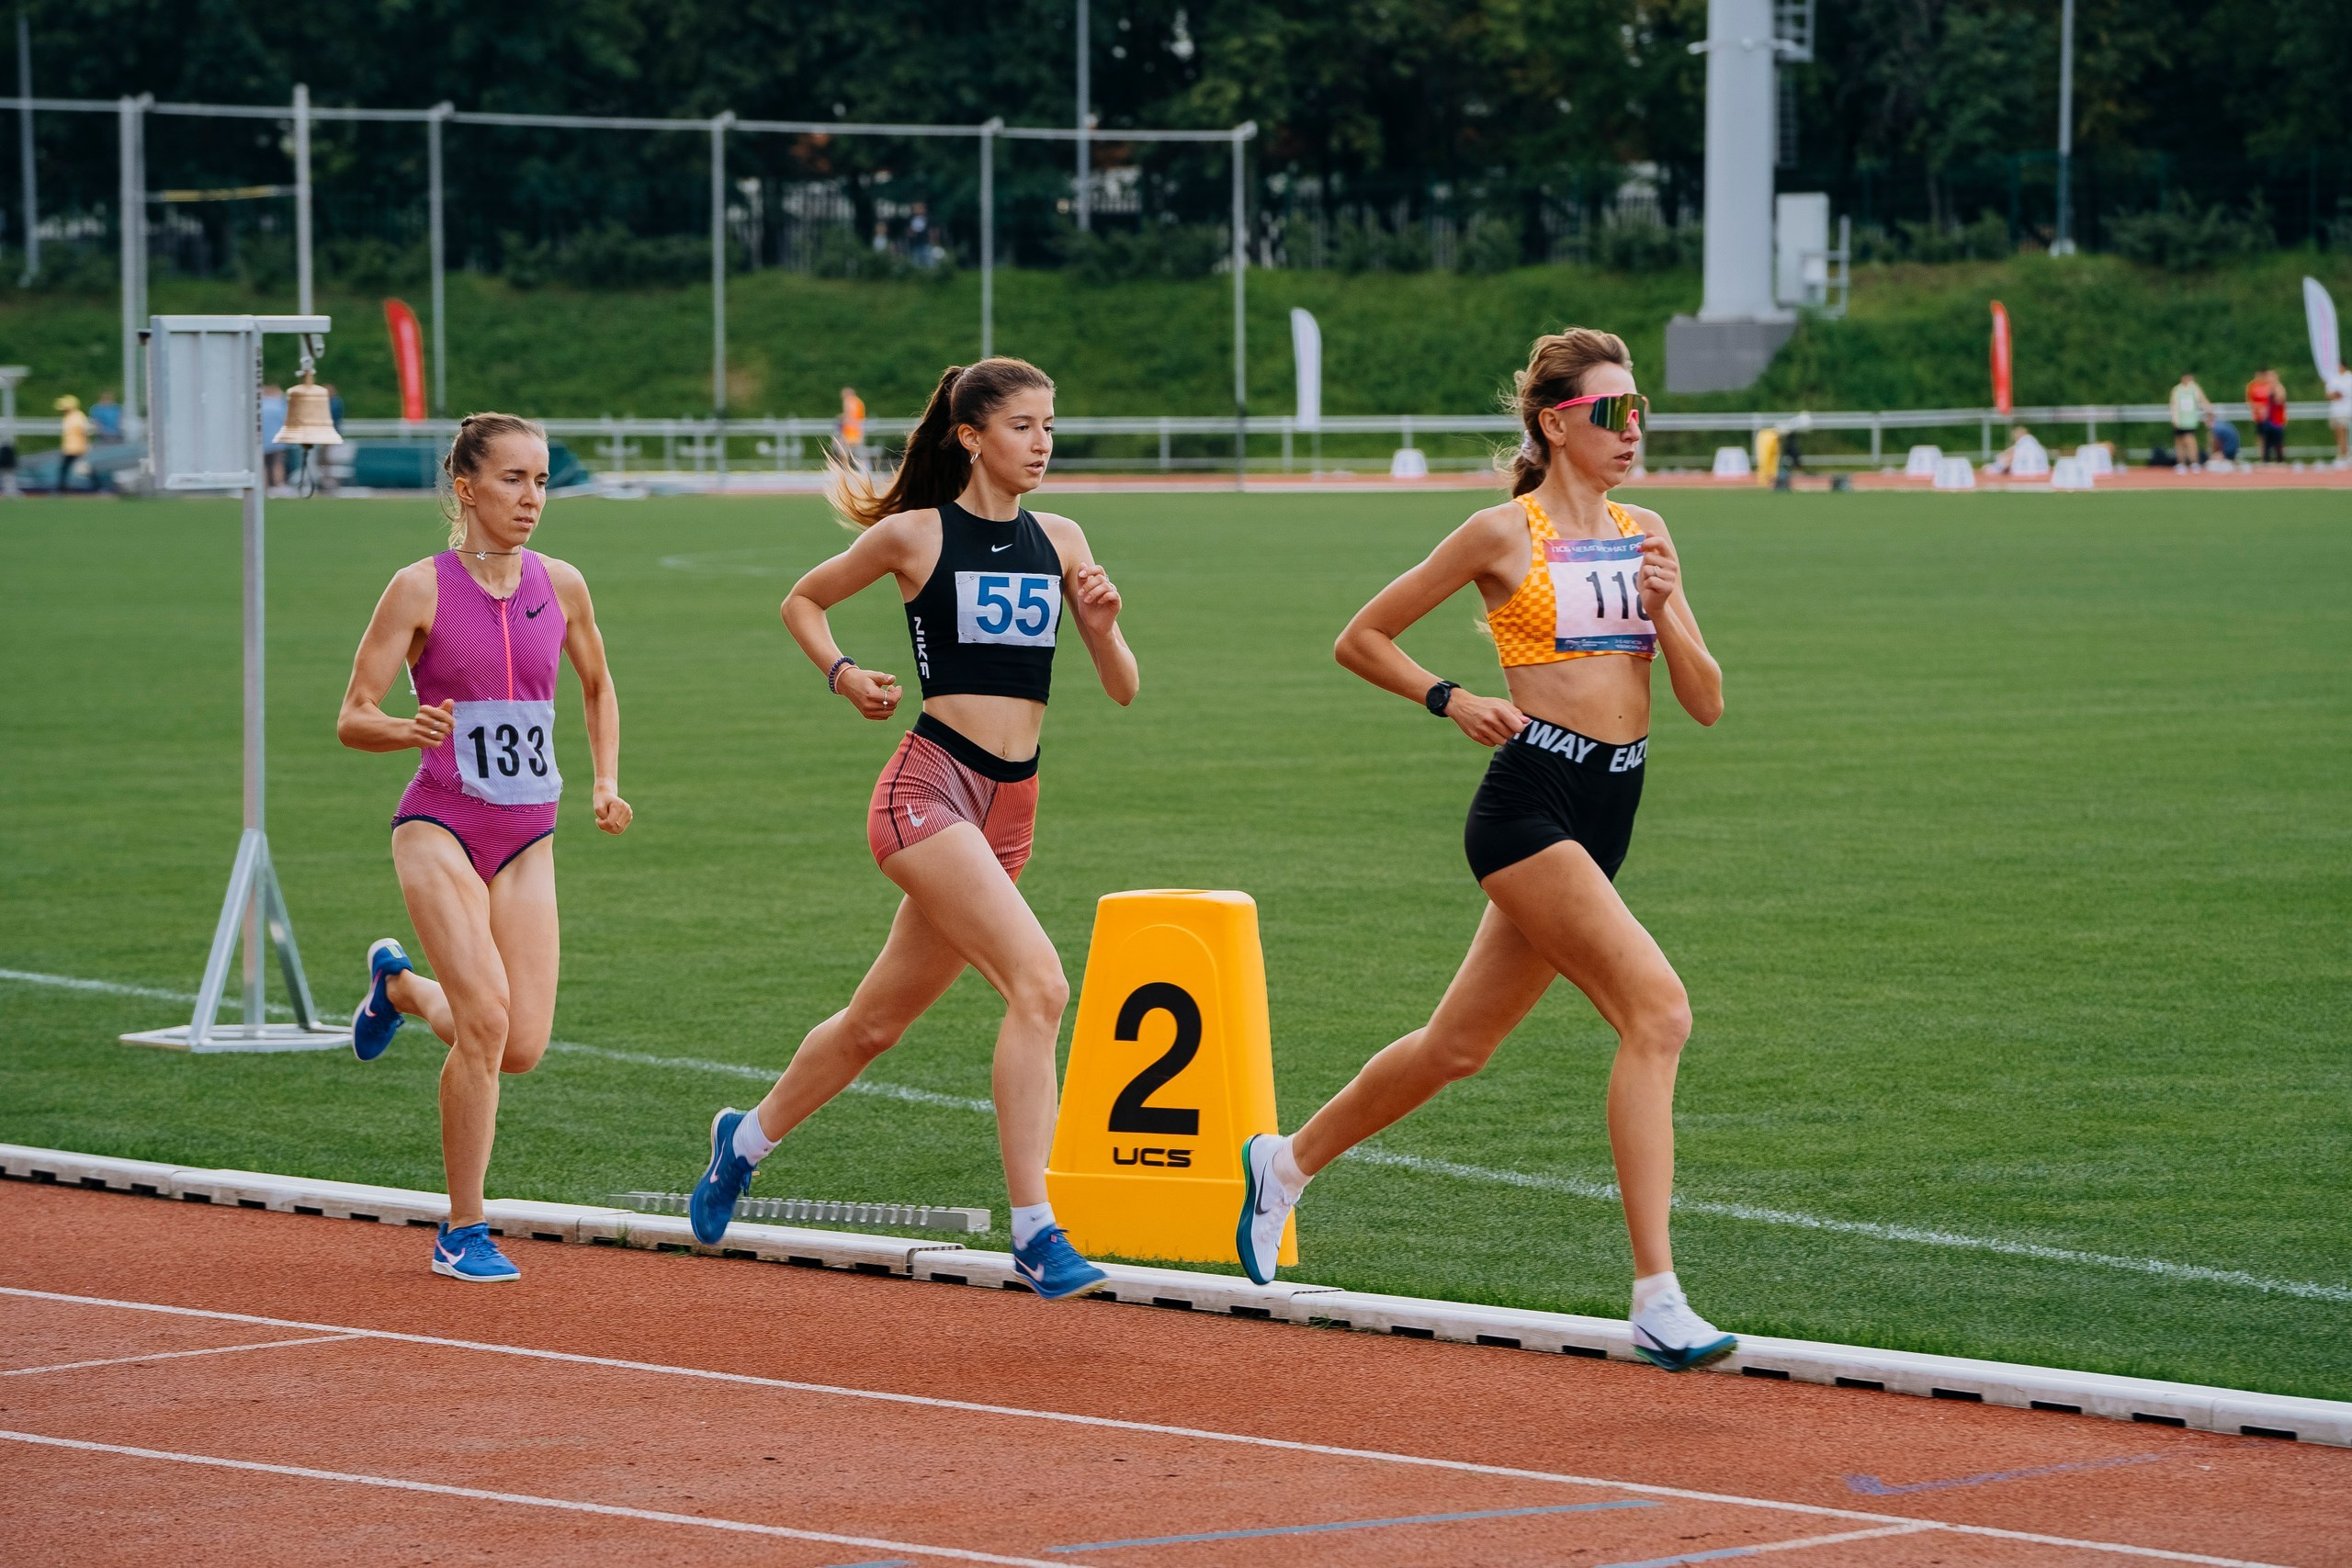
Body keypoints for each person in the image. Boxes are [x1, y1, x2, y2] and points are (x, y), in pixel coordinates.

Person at [1234, 329, 1736, 1372]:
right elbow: (1361, 637)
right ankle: (1657, 1294)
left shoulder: (1647, 532)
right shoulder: (1499, 534)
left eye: (1639, 411)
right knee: (1659, 1012)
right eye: (1612, 412)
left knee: (1457, 1047)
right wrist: (1451, 697)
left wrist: (1666, 611)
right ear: (1557, 423)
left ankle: (1283, 1163)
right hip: (1527, 807)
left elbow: (1706, 701)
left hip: (1611, 809)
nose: (1633, 430)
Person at [686, 357, 1138, 1301]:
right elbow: (802, 599)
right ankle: (1035, 1230)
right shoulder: (914, 535)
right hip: (928, 790)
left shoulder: (1062, 538)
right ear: (971, 436)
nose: (1042, 443)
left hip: (1010, 812)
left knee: (874, 1025)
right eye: (1022, 426)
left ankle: (744, 1141)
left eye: (1050, 426)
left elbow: (1123, 688)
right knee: (1041, 985)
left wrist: (1101, 626)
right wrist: (844, 673)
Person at [334, 412, 632, 1281]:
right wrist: (405, 728)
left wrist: (606, 780)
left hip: (529, 831)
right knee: (487, 1022)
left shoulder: (562, 584)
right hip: (440, 824)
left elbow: (598, 685)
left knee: (519, 1044)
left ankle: (397, 988)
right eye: (512, 479)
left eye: (540, 480)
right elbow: (353, 714)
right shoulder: (417, 588)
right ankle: (463, 1228)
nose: (532, 497)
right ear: (465, 488)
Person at [2169, 374, 2211, 471]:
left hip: (2190, 421)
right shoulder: (2177, 390)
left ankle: (2194, 462)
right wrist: (2174, 418)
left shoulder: (2195, 389)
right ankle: (2181, 463)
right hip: (2179, 420)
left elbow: (2202, 401)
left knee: (2190, 441)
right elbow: (2173, 405)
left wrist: (2209, 410)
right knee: (2179, 442)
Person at [2247, 367, 2287, 465]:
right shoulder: (2265, 387)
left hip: (2277, 420)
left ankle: (2280, 461)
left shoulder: (2278, 388)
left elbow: (2280, 400)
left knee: (2278, 442)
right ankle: (2265, 460)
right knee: (2266, 442)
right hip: (2268, 420)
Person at [53, 395, 89, 491]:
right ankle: (62, 487)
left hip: (77, 448)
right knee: (66, 468)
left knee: (83, 468)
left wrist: (85, 445)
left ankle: (62, 488)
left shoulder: (77, 416)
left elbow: (83, 432)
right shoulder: (69, 417)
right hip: (69, 448)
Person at [260, 383, 288, 489]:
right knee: (278, 464)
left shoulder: (260, 405)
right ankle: (278, 485)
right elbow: (286, 421)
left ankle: (264, 486)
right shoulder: (280, 405)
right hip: (278, 441)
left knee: (263, 465)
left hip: (262, 441)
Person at [2327, 361, 2351, 467]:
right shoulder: (2333, 377)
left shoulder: (2349, 377)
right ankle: (2342, 453)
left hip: (2345, 409)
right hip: (2335, 410)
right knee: (2337, 432)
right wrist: (2335, 394)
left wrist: (2341, 394)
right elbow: (2329, 394)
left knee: (2342, 431)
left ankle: (2344, 455)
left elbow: (2346, 393)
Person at [838, 385, 866, 457]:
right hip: (858, 431)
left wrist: (841, 418)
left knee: (842, 451)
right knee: (857, 452)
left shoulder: (849, 402)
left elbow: (848, 415)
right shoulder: (858, 402)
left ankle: (844, 464)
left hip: (850, 431)